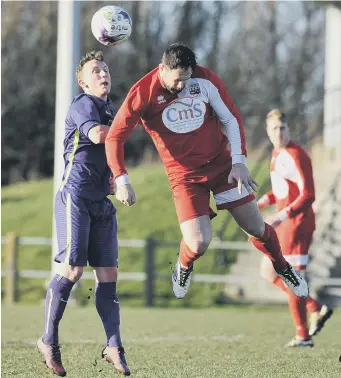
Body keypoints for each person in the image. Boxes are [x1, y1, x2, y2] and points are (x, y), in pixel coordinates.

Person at [105, 42, 308, 303]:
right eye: (177, 80)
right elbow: (114, 138)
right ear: (161, 69)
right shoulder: (142, 93)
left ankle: (283, 267)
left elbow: (230, 119)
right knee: (199, 243)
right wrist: (121, 179)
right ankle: (183, 266)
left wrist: (238, 161)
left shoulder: (205, 79)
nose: (182, 86)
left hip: (222, 165)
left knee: (256, 227)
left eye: (187, 79)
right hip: (184, 176)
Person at [37, 51, 130, 376]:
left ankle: (114, 345)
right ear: (83, 80)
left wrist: (120, 180)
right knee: (73, 269)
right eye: (96, 70)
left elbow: (116, 146)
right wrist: (129, 120)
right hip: (75, 196)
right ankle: (48, 339)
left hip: (101, 203)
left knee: (108, 276)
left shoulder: (111, 109)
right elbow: (99, 135)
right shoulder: (83, 104)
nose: (103, 74)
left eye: (105, 69)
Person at [258, 109, 333, 347]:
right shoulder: (276, 153)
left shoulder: (296, 154)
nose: (279, 133)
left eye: (283, 128)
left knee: (292, 279)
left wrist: (281, 215)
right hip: (285, 224)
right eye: (274, 129)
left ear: (289, 129)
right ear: (267, 132)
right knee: (268, 272)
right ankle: (315, 307)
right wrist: (260, 202)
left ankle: (303, 336)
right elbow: (283, 191)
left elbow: (308, 194)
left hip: (297, 225)